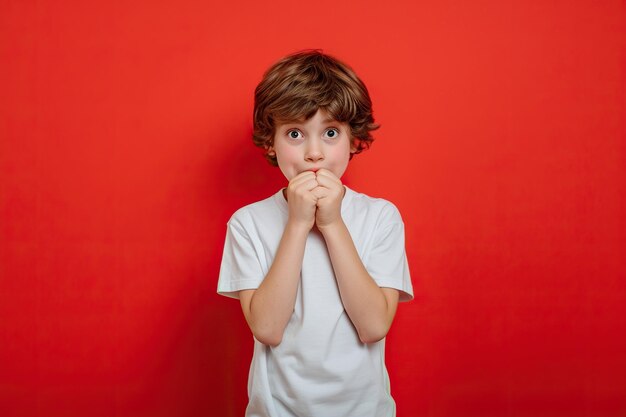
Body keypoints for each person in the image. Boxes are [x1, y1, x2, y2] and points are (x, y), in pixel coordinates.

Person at [217, 50, 413, 417]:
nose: (314, 153)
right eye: (295, 133)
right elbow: (267, 329)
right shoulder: (248, 223)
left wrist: (332, 224)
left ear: (354, 140)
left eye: (330, 132)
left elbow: (373, 326)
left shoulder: (380, 217)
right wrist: (296, 223)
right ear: (270, 143)